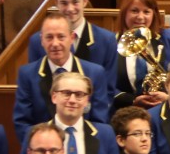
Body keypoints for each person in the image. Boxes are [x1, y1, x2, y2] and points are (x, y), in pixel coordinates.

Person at [13, 11, 111, 141]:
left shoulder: (95, 73)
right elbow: (22, 122)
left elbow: (100, 120)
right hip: (44, 151)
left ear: (71, 38)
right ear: (41, 40)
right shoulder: (27, 74)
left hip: (84, 147)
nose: (55, 43)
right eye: (49, 37)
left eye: (61, 37)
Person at [26, 0, 118, 71]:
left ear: (85, 1)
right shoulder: (36, 41)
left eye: (75, 2)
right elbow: (35, 81)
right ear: (56, 2)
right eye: (64, 3)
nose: (70, 9)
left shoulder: (107, 41)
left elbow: (109, 85)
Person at [113, 0, 170, 112]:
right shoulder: (111, 43)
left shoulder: (169, 38)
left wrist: (169, 96)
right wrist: (132, 100)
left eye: (146, 12)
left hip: (164, 109)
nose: (140, 17)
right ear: (125, 12)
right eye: (134, 11)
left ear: (153, 14)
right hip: (125, 112)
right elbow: (106, 84)